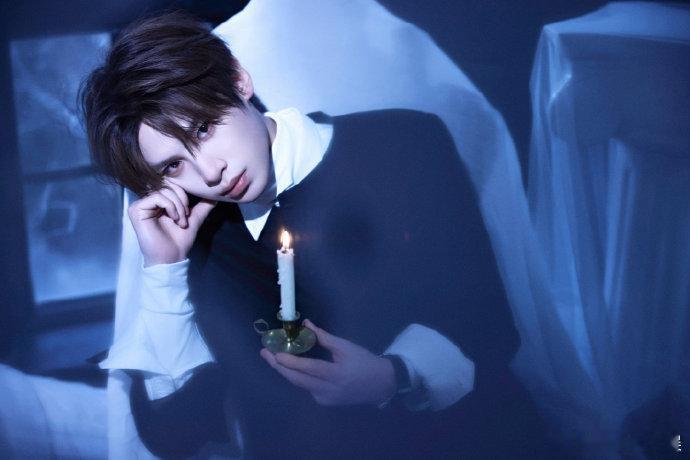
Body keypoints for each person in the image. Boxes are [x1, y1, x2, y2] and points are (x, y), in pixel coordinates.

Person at [82, 12, 546, 459]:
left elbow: (490, 324)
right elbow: (173, 434)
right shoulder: (194, 239)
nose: (210, 172)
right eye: (173, 165)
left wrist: (393, 375)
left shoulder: (405, 143)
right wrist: (164, 272)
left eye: (203, 128)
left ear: (239, 81)